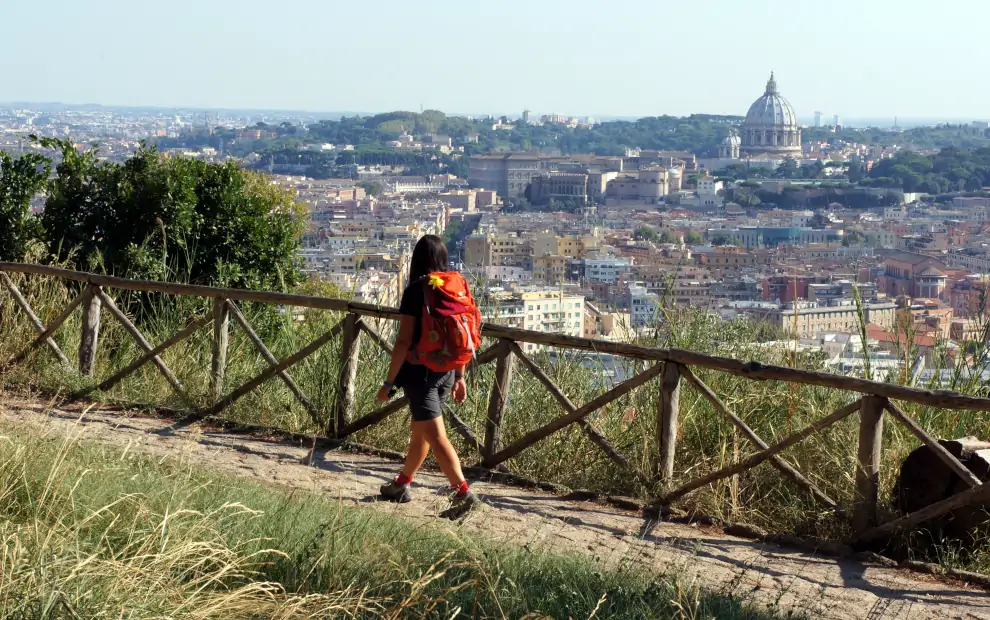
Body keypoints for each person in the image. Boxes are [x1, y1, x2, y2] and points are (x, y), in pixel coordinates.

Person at [377, 234, 480, 519]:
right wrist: (460, 376)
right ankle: (401, 485)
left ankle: (464, 494)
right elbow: (461, 333)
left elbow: (403, 341)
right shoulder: (454, 286)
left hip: (420, 374)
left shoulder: (417, 291)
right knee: (421, 432)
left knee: (435, 436)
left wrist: (388, 383)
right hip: (446, 371)